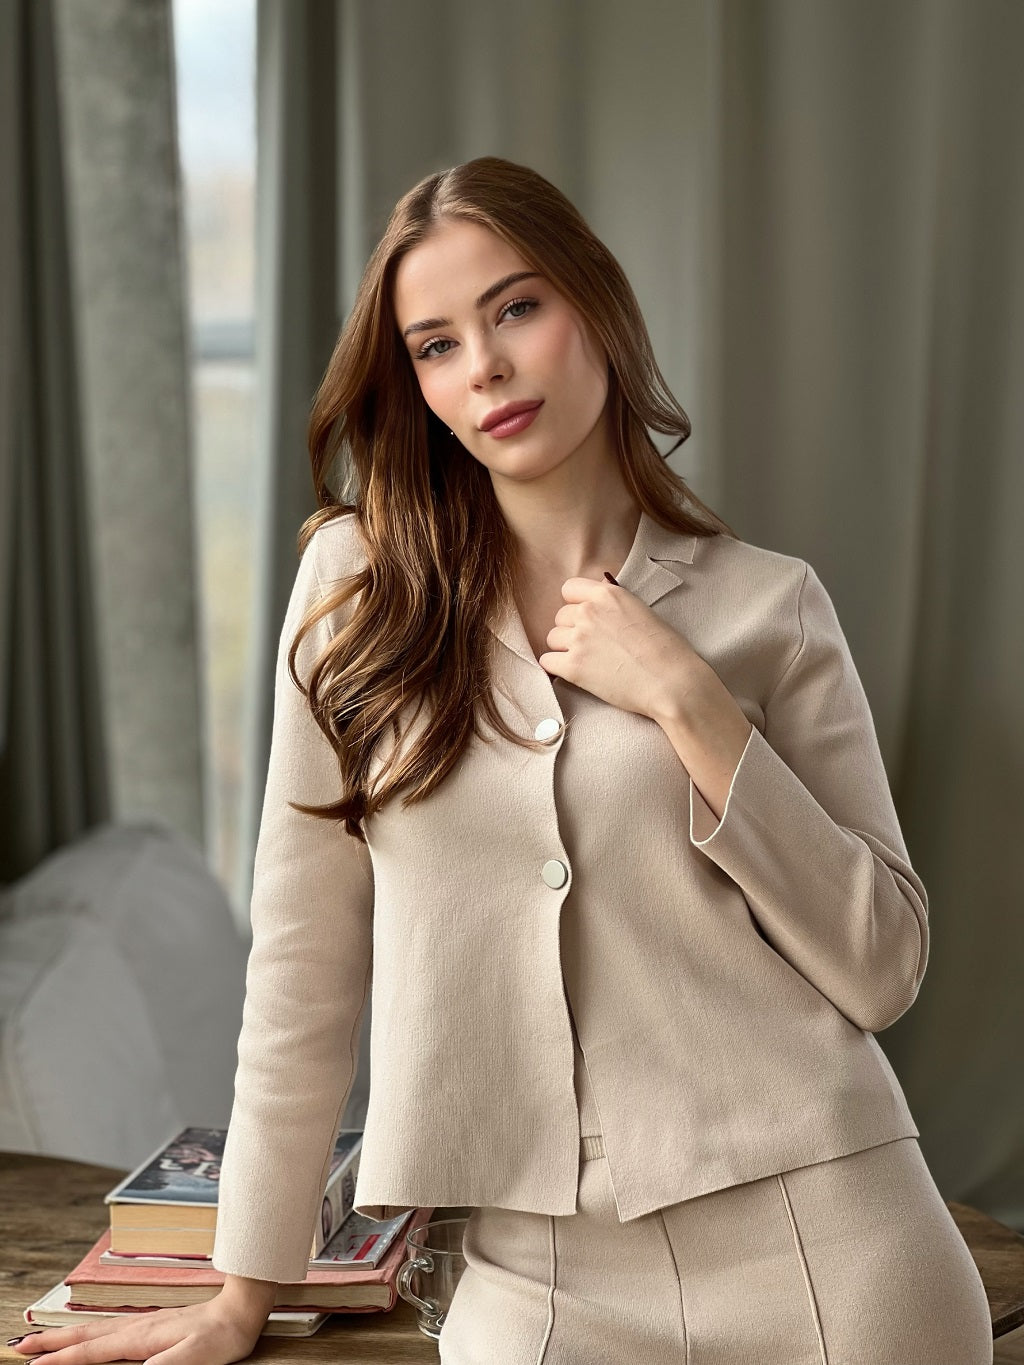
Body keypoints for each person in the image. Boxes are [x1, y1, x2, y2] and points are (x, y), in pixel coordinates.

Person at [11, 157, 993, 1364]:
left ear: (598, 305)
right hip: (539, 1277)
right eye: (433, 344)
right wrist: (242, 1287)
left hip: (830, 1247)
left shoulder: (768, 607)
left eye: (516, 308)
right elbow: (305, 966)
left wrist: (691, 704)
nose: (483, 367)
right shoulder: (354, 594)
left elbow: (882, 964)